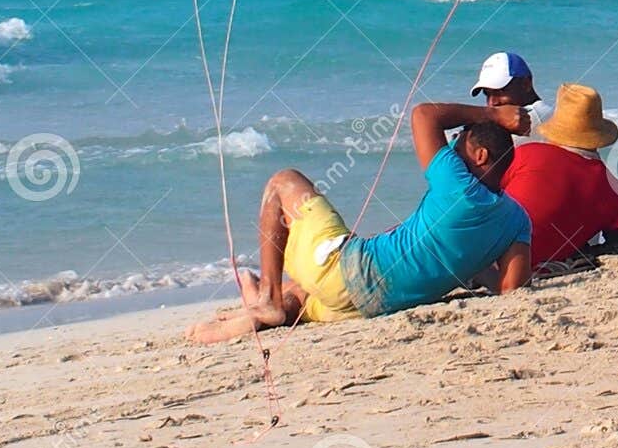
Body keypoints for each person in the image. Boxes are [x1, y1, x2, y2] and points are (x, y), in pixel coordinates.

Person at [187, 102, 532, 343]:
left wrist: (492, 114)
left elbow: (424, 114)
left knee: (283, 181)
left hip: (351, 272)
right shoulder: (517, 219)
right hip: (377, 306)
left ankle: (269, 297)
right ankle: (258, 313)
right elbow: (510, 289)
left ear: (480, 156)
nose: (451, 147)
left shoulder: (456, 182)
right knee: (305, 292)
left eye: (458, 142)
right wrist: (471, 262)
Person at [498, 83, 618, 269]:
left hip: (484, 256)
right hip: (526, 267)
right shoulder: (617, 191)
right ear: (598, 134)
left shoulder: (526, 154)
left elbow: (484, 193)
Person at [471, 50, 539, 108]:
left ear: (526, 84)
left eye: (499, 92)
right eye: (487, 94)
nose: (492, 103)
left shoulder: (528, 119)